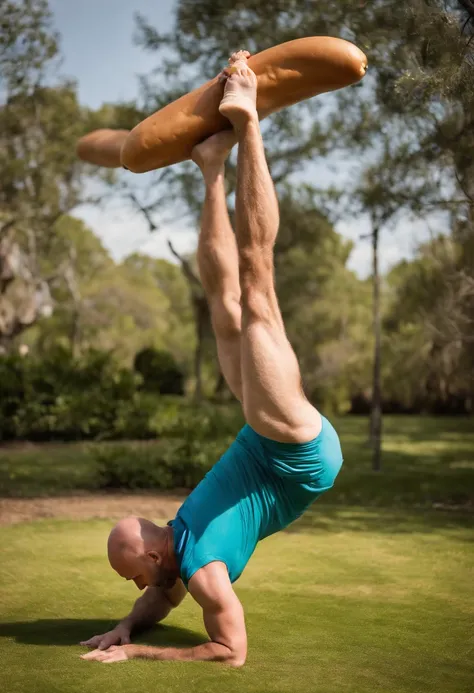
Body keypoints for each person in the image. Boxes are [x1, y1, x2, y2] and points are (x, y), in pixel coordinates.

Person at [80, 51, 343, 667]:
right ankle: (242, 125)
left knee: (235, 300)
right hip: (292, 450)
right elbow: (163, 600)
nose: (135, 587)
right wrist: (127, 625)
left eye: (132, 577)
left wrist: (134, 649)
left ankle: (221, 156)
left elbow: (231, 652)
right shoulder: (190, 560)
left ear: (154, 552)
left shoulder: (191, 568)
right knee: (253, 296)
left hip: (283, 448)